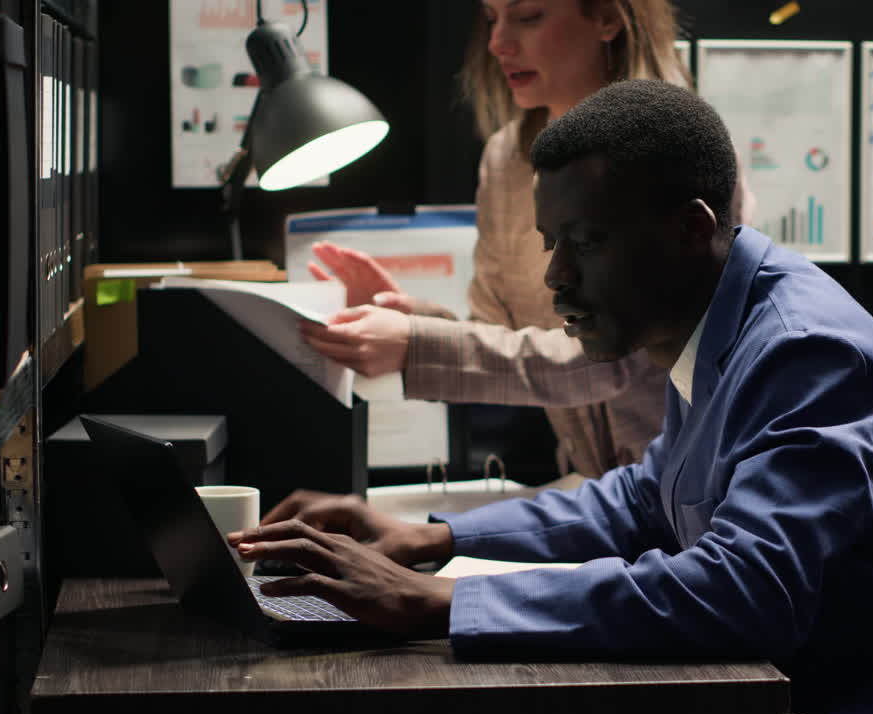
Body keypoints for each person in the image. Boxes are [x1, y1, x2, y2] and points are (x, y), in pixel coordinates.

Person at [229, 79, 873, 714]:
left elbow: (747, 591)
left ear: (688, 230)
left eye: (588, 242)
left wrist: (435, 604)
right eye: (550, 243)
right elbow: (642, 501)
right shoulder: (716, 327)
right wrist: (428, 540)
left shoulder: (803, 352)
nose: (556, 277)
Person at [301, 0, 753, 478]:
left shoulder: (675, 152)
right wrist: (410, 318)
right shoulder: (505, 159)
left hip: (699, 490)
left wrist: (418, 345)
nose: (498, 43)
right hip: (596, 492)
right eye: (492, 19)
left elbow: (615, 356)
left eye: (528, 16)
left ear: (606, 18)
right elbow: (499, 332)